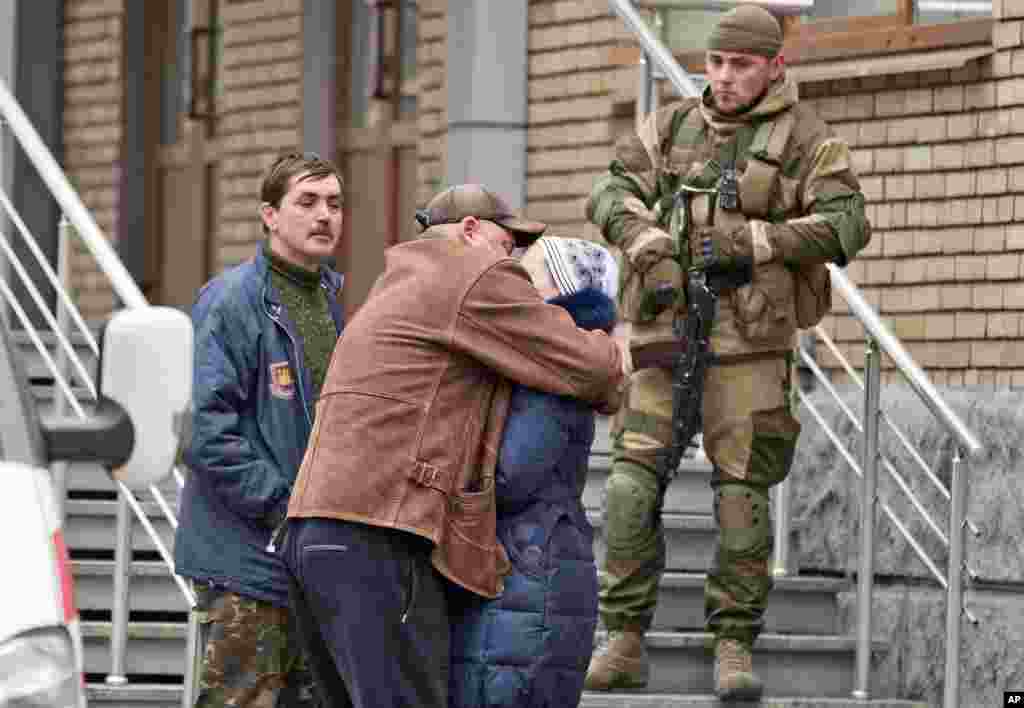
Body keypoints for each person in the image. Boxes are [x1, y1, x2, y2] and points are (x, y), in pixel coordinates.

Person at [583, 5, 872, 700]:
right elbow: (611, 190)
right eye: (716, 62)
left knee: (741, 498)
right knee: (628, 485)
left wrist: (756, 243)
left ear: (775, 64)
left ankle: (734, 645)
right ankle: (621, 637)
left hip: (750, 345)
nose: (725, 77)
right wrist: (652, 250)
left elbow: (847, 224)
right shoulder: (676, 124)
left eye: (741, 64)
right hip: (665, 336)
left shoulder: (807, 139)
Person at [281, 184, 629, 708]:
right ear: (469, 230)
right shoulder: (474, 272)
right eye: (507, 242)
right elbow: (592, 367)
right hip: (381, 535)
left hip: (311, 533)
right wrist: (616, 345)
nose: (512, 259)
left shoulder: (392, 286)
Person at [174, 152, 346, 708]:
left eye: (335, 204)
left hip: (312, 559)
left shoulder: (331, 301)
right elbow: (207, 431)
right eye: (308, 202)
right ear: (269, 215)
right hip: (246, 559)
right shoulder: (231, 302)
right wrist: (279, 506)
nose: (324, 215)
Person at [448, 237, 619, 708]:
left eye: (528, 272)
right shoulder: (562, 365)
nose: (513, 279)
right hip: (540, 558)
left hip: (528, 566)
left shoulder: (551, 374)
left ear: (558, 293)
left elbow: (511, 475)